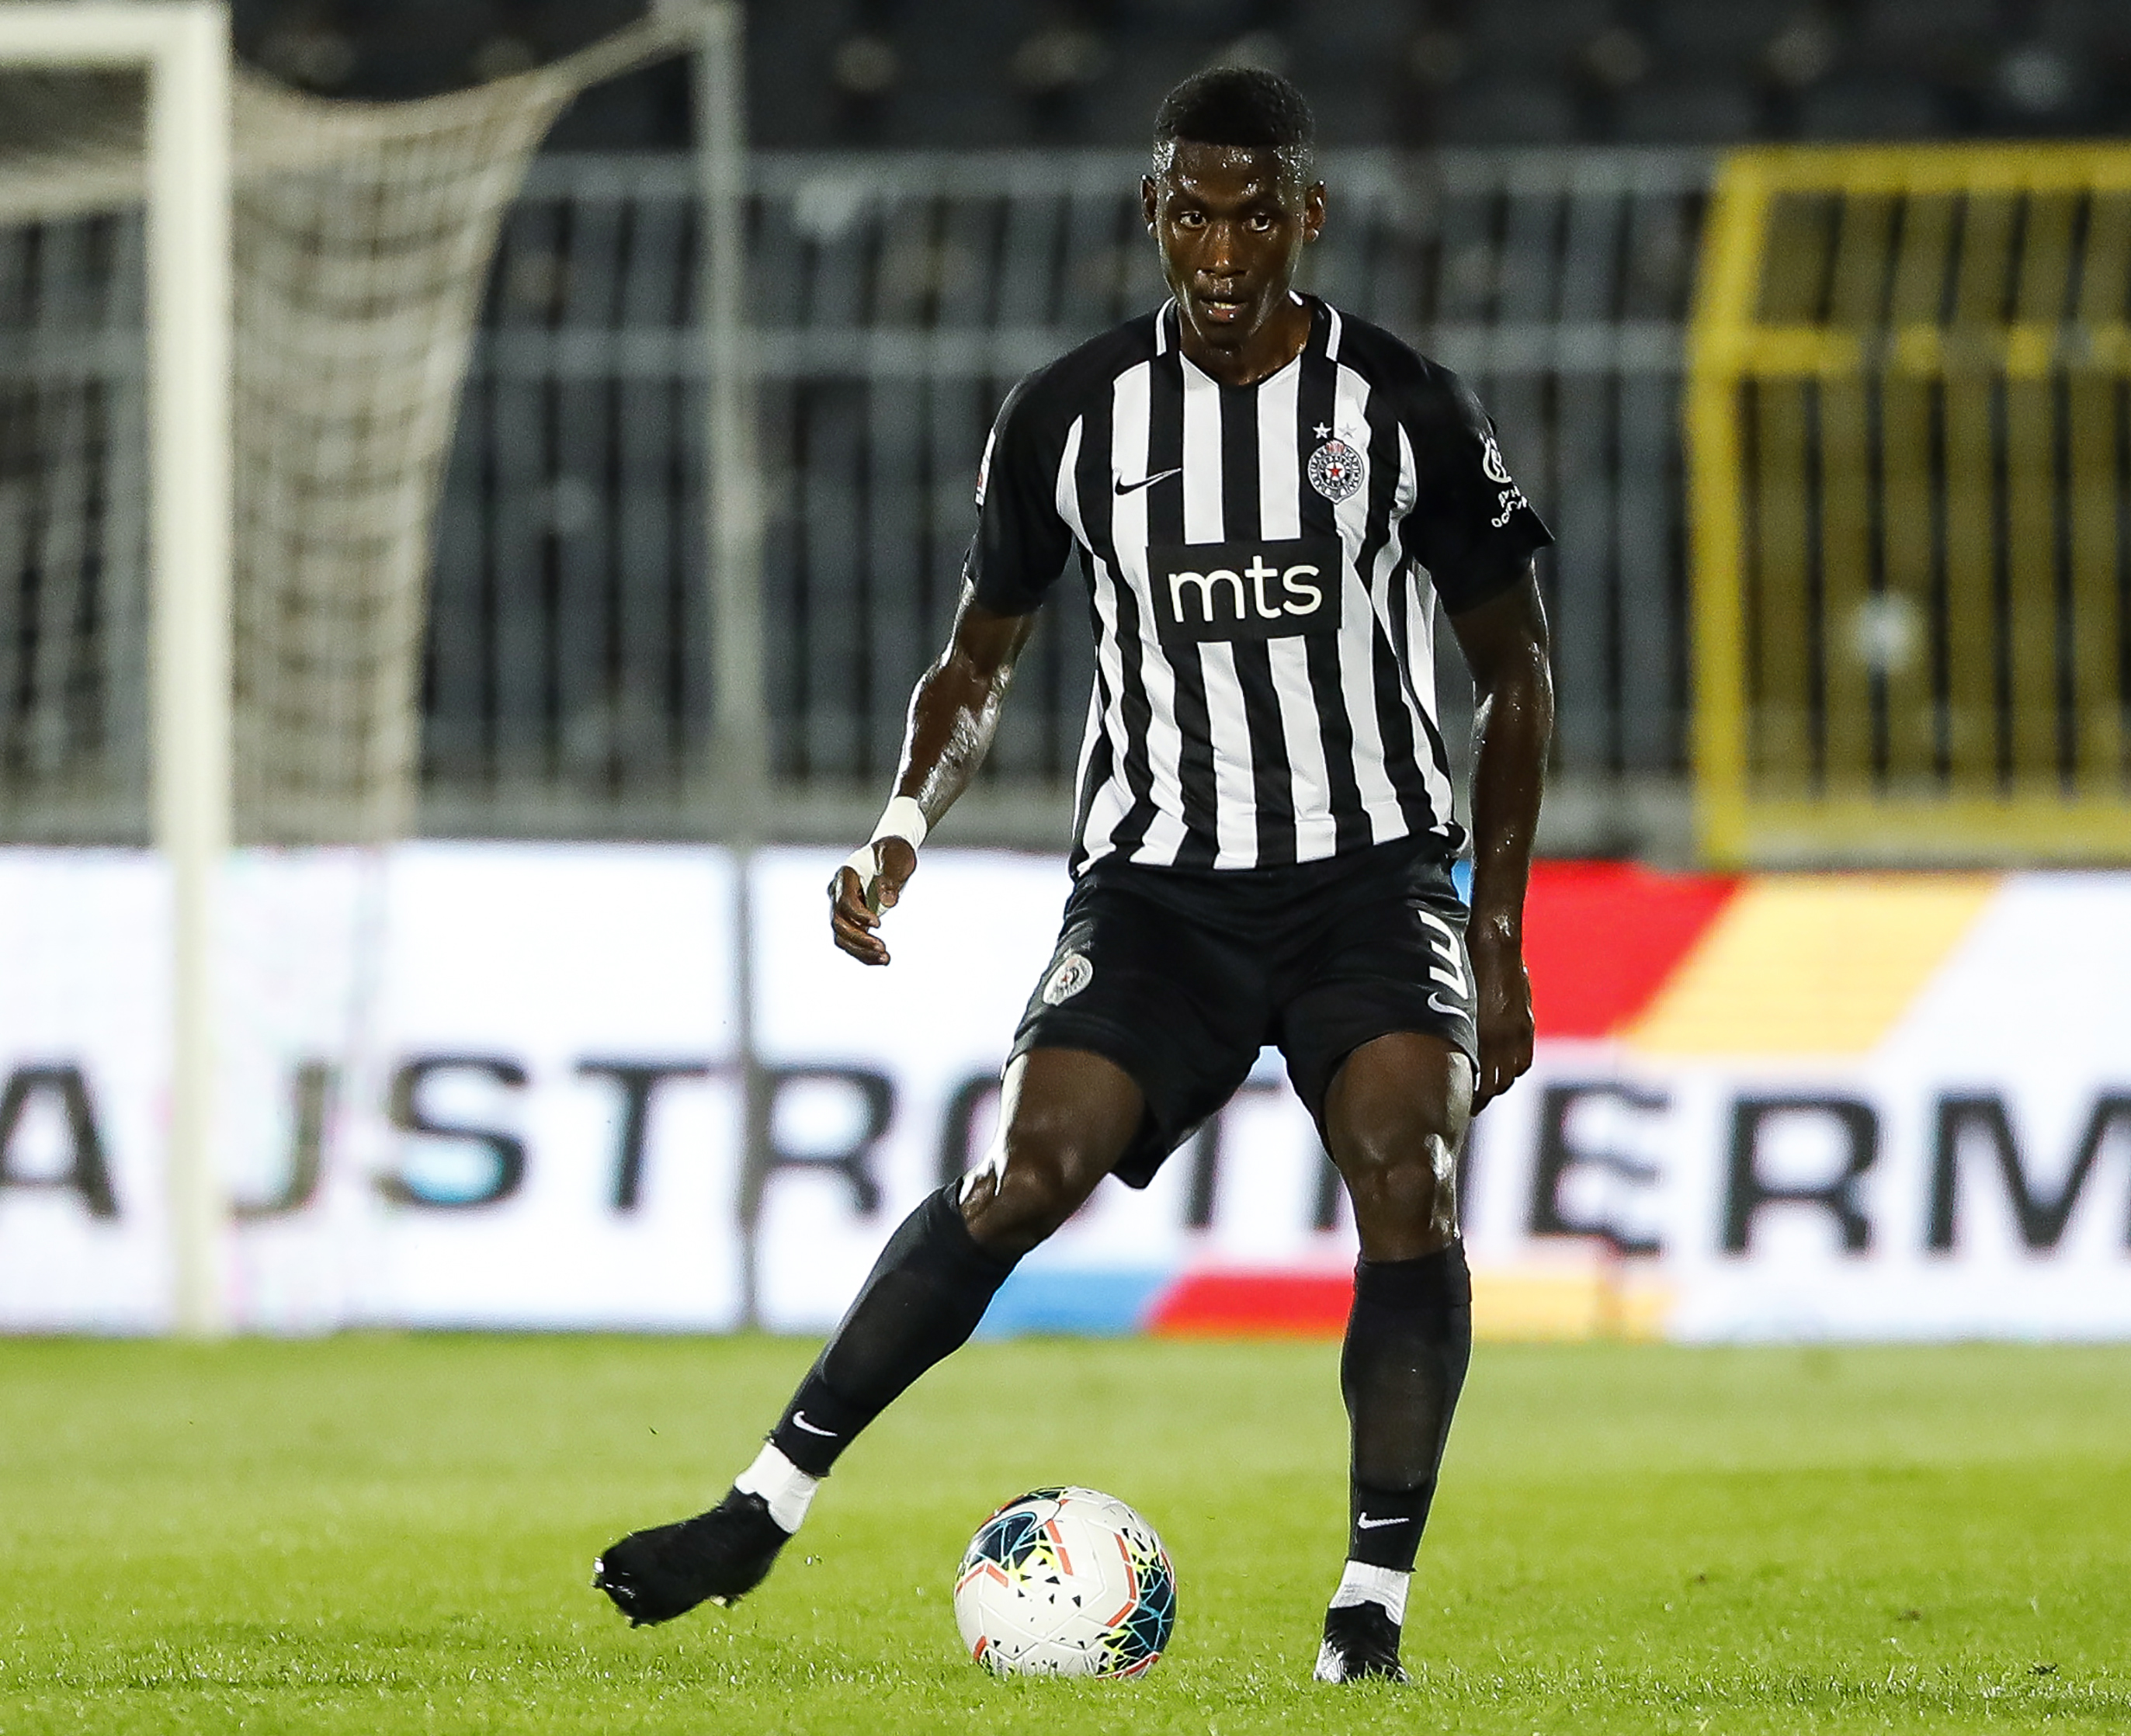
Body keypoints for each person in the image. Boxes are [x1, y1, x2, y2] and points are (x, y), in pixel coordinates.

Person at [593, 64, 1554, 1685]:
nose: (1225, 244)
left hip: (1373, 877)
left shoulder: (1406, 409)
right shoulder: (1067, 414)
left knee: (1411, 1172)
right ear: (1155, 214)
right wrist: (901, 826)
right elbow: (978, 662)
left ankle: (1368, 1607)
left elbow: (1514, 672)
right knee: (1025, 1170)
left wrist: (1498, 924)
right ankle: (761, 1503)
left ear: (1309, 215)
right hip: (1159, 887)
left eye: (1257, 210)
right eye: (1195, 208)